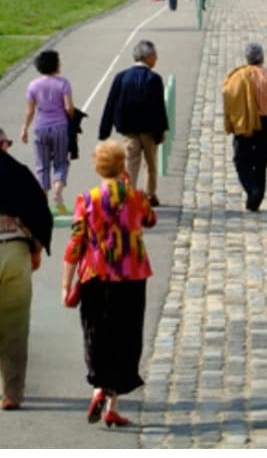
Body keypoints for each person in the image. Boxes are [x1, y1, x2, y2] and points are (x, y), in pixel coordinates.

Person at [62, 140, 156, 427]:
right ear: (122, 166)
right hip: (131, 276)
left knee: (97, 335)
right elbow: (150, 220)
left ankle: (100, 388)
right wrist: (128, 186)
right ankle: (111, 403)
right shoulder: (136, 198)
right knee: (126, 337)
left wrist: (66, 284)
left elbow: (75, 244)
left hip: (96, 276)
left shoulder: (87, 200)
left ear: (97, 167)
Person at [0, 128, 53, 411]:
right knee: (15, 325)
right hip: (14, 251)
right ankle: (11, 393)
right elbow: (40, 213)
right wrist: (36, 250)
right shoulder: (18, 173)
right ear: (4, 145)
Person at [98, 40, 169, 207]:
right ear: (147, 57)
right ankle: (149, 195)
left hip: (129, 128)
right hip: (149, 129)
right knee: (150, 163)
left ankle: (128, 194)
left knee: (131, 162)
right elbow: (159, 107)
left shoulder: (121, 77)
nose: (156, 58)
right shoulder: (154, 78)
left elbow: (110, 103)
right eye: (155, 55)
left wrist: (105, 129)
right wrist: (161, 130)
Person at [222, 42, 267, 212]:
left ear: (247, 58)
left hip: (244, 122)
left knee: (241, 160)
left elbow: (229, 97)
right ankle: (256, 196)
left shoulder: (238, 77)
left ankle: (253, 190)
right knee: (261, 162)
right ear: (263, 58)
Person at [20, 50, 75, 213]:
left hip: (41, 127)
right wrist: (72, 115)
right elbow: (69, 107)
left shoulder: (33, 85)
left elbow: (30, 111)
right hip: (60, 127)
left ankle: (43, 202)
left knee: (42, 166)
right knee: (60, 162)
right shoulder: (63, 83)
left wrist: (25, 128)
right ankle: (58, 192)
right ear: (55, 65)